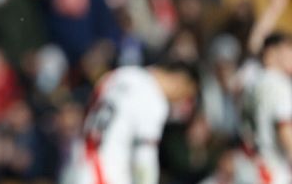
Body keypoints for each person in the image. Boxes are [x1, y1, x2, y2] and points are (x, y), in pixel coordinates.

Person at [60, 62, 199, 184]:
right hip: (107, 172)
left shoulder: (121, 74)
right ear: (180, 81)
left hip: (77, 161)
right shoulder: (154, 99)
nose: (182, 100)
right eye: (186, 94)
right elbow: (144, 157)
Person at [238, 33, 292, 184]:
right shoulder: (278, 83)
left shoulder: (253, 80)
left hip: (253, 166)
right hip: (273, 170)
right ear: (271, 52)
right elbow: (285, 130)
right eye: (288, 50)